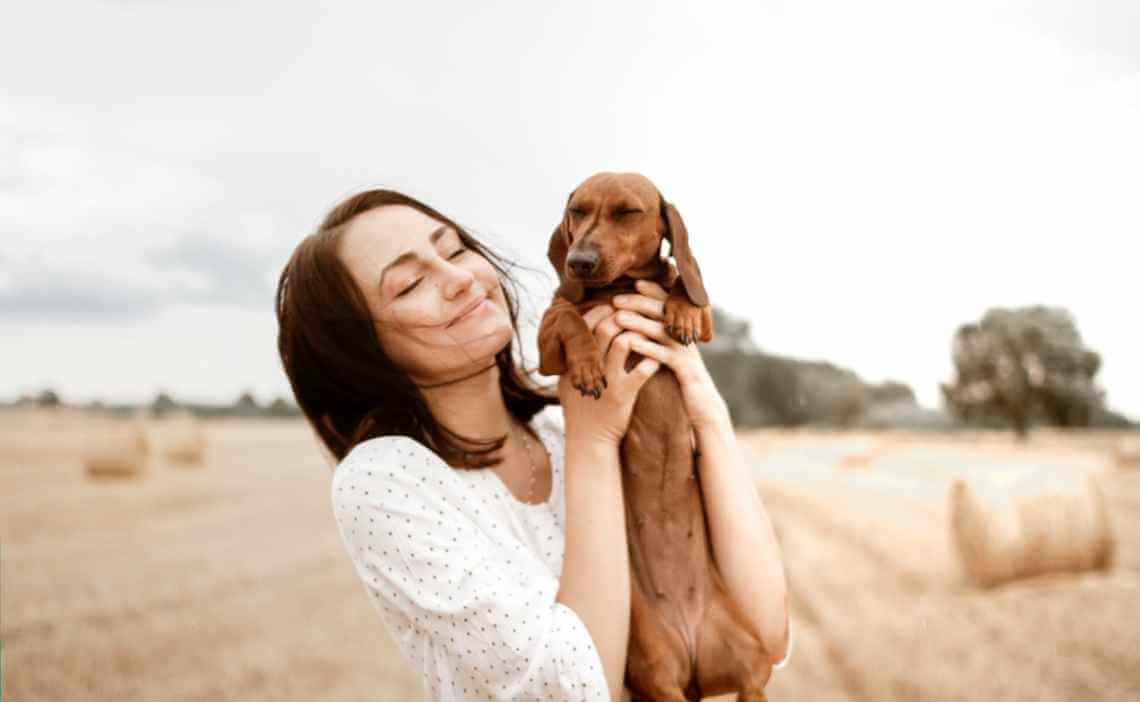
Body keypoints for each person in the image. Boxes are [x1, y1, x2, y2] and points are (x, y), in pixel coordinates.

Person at [275, 189, 791, 701]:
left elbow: (765, 638)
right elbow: (575, 692)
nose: (459, 279)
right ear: (358, 349)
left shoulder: (562, 423)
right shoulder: (385, 481)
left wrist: (704, 406)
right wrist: (594, 444)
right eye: (410, 284)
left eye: (454, 250)